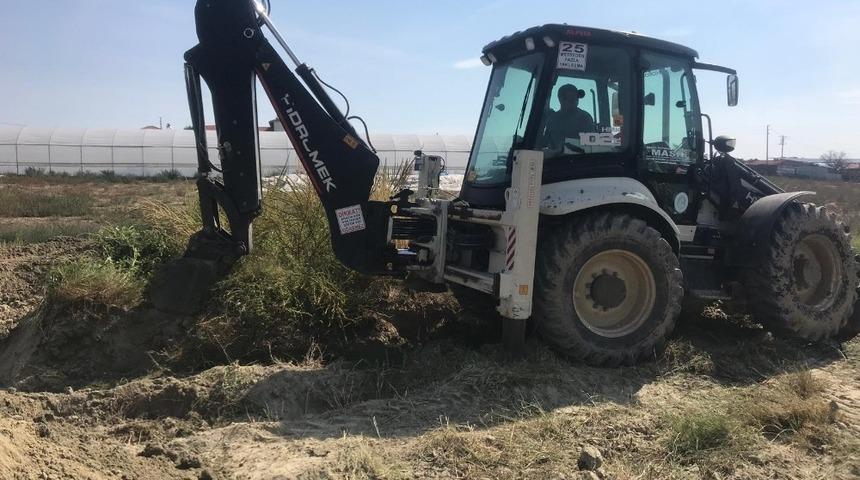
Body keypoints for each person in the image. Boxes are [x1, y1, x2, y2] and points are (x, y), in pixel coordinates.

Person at [541, 84, 596, 155]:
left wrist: (563, 149)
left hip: (581, 161)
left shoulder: (585, 118)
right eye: (571, 99)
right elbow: (545, 142)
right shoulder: (552, 119)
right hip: (555, 162)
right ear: (561, 99)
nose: (575, 101)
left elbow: (591, 145)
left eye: (576, 99)